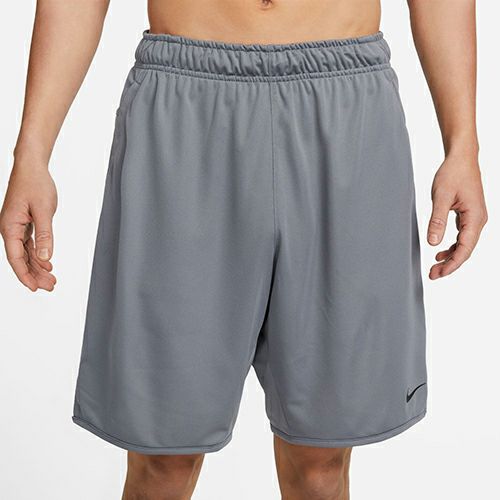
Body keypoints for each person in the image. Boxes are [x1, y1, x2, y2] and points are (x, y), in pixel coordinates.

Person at [0, 1, 488, 499]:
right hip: (186, 102)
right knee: (162, 460)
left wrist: (463, 145)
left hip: (344, 102)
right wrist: (32, 153)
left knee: (321, 464)